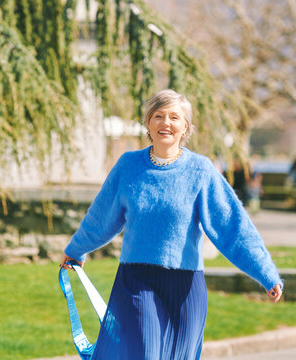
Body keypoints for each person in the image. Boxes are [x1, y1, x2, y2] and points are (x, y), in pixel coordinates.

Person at [60, 89, 283, 360]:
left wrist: (265, 272)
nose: (166, 123)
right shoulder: (129, 166)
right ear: (148, 124)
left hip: (185, 286)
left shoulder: (201, 171)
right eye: (158, 116)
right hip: (137, 282)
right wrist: (76, 249)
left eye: (174, 117)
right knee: (145, 353)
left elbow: (231, 226)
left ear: (185, 127)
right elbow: (101, 216)